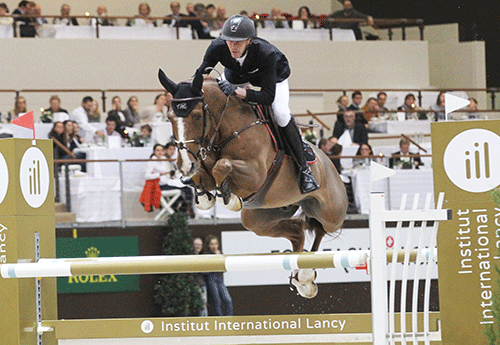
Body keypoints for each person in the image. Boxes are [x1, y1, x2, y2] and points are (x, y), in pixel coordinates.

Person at [195, 14, 319, 194]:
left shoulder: (266, 53)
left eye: (238, 42)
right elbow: (200, 74)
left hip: (273, 79)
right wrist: (186, 89)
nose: (233, 46)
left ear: (250, 41)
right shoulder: (217, 46)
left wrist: (237, 91)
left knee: (281, 114)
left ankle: (304, 169)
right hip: (237, 75)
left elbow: (267, 96)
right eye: (229, 41)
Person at [204, 234, 234, 316]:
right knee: (217, 300)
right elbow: (207, 269)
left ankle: (230, 318)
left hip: (220, 279)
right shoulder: (207, 255)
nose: (214, 246)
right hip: (211, 279)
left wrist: (219, 256)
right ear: (209, 245)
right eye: (212, 244)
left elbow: (224, 268)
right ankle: (220, 319)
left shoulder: (220, 253)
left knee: (228, 299)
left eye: (215, 244)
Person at [193, 237, 208, 317]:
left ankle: (204, 322)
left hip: (201, 283)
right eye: (196, 244)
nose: (198, 246)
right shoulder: (189, 256)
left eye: (200, 245)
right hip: (192, 284)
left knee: (203, 304)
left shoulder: (203, 255)